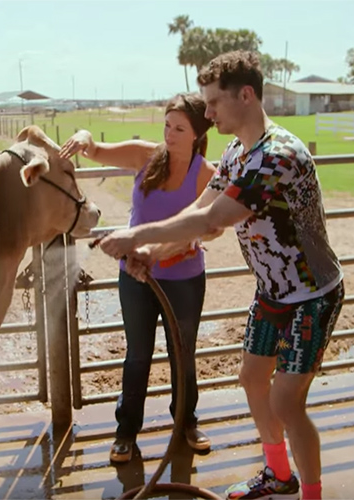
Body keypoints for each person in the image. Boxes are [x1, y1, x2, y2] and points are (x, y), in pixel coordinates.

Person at [98, 51, 344, 500]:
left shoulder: (277, 156)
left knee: (286, 402)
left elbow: (217, 216)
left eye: (213, 103)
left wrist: (134, 236)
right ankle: (277, 475)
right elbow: (199, 216)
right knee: (252, 380)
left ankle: (312, 494)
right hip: (272, 291)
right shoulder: (236, 151)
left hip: (312, 295)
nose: (206, 114)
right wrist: (151, 249)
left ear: (245, 96)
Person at [59, 92, 217, 462]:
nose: (170, 134)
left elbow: (210, 228)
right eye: (167, 125)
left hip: (184, 278)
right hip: (135, 277)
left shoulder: (205, 175)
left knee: (184, 353)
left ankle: (186, 422)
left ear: (197, 134)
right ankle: (126, 431)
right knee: (137, 354)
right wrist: (84, 137)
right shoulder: (145, 156)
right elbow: (96, 149)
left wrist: (176, 248)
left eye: (179, 128)